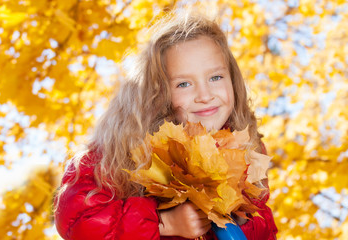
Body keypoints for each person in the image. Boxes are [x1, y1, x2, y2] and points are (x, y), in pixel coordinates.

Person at [54, 10, 278, 240]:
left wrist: (241, 220)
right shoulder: (119, 152)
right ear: (157, 94)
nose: (205, 94)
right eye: (184, 84)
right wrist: (164, 224)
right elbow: (80, 221)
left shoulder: (246, 155)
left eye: (215, 78)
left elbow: (265, 226)